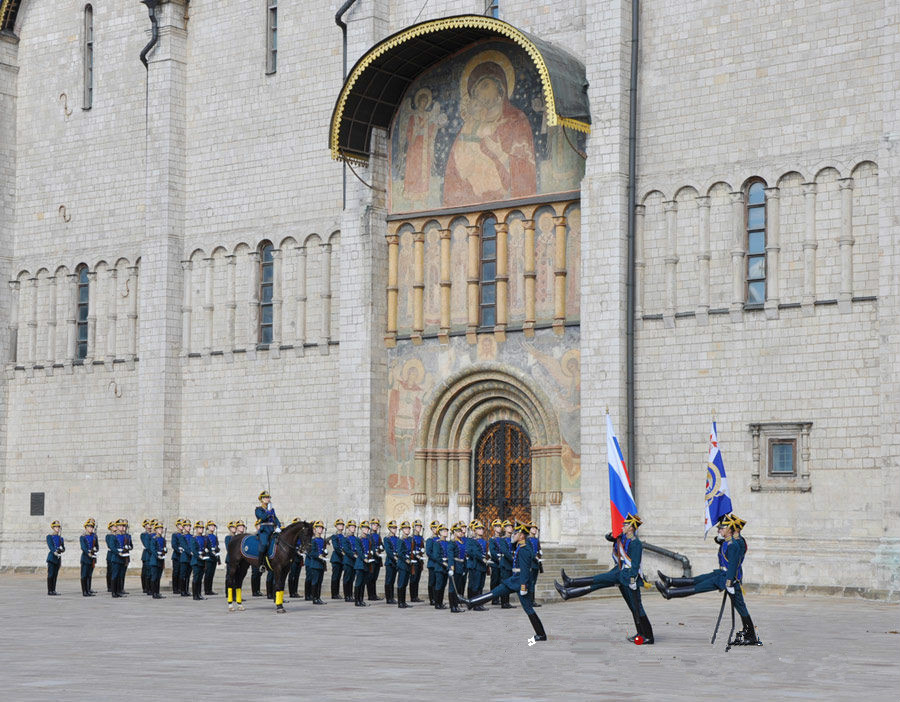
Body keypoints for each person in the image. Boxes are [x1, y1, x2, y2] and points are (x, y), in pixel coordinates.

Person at [655, 513, 759, 646]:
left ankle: (670, 593)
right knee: (700, 581)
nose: (719, 530)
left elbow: (734, 564)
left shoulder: (736, 544)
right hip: (723, 575)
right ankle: (671, 583)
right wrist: (723, 535)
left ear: (731, 529)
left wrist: (729, 582)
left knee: (738, 606)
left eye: (722, 528)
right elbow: (721, 542)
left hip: (729, 579)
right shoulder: (730, 542)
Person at [555, 513, 654, 645]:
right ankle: (640, 634)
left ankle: (648, 636)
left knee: (637, 607)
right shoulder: (624, 539)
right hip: (620, 574)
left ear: (631, 528)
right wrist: (613, 534)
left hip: (629, 579)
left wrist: (632, 581)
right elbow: (609, 537)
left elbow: (635, 565)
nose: (623, 526)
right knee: (631, 607)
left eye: (625, 525)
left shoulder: (636, 544)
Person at [459, 524, 547, 642]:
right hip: (514, 580)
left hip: (520, 582)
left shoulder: (524, 549)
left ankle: (541, 634)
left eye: (516, 533)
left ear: (521, 536)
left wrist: (524, 586)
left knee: (528, 608)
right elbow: (510, 548)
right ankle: (471, 602)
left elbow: (526, 570)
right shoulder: (520, 546)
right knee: (496, 591)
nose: (513, 535)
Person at [254, 490, 281, 572]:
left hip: (272, 529)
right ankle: (260, 563)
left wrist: (279, 526)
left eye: (268, 497)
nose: (267, 499)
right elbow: (262, 517)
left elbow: (275, 519)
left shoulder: (272, 510)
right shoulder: (258, 509)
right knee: (264, 544)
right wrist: (268, 512)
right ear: (261, 499)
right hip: (264, 530)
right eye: (265, 497)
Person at [465, 521, 490, 610]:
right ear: (474, 530)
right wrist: (481, 558)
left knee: (480, 585)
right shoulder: (470, 541)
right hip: (475, 565)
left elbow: (486, 553)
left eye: (482, 529)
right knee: (474, 585)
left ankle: (479, 603)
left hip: (482, 566)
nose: (481, 530)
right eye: (479, 529)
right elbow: (472, 552)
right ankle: (473, 603)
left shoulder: (484, 541)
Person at [305, 520, 328, 605]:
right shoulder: (313, 540)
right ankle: (314, 598)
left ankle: (318, 597)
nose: (320, 530)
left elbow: (323, 550)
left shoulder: (322, 540)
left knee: (319, 581)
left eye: (321, 528)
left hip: (321, 564)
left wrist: (325, 553)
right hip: (315, 564)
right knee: (315, 581)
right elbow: (311, 552)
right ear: (315, 529)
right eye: (319, 528)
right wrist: (318, 555)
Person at [431, 524, 451, 610]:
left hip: (446, 567)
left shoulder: (448, 543)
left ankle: (441, 602)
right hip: (439, 567)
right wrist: (443, 563)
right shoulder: (437, 543)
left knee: (443, 585)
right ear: (439, 532)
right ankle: (437, 603)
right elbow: (436, 556)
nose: (445, 532)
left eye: (446, 531)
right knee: (438, 585)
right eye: (443, 531)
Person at [189, 520, 209, 601]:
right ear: (196, 529)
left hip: (203, 560)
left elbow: (205, 547)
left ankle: (199, 594)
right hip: (196, 561)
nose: (201, 529)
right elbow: (194, 550)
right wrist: (200, 556)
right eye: (199, 528)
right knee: (196, 578)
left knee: (200, 578)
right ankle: (195, 595)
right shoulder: (193, 538)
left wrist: (206, 552)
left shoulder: (204, 538)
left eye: (202, 528)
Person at [396, 520, 414, 609]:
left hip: (408, 565)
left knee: (405, 583)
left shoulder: (409, 540)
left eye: (408, 528)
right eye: (405, 529)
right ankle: (400, 602)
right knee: (401, 583)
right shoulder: (401, 540)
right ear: (402, 530)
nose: (407, 530)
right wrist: (406, 559)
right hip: (403, 564)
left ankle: (404, 601)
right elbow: (399, 552)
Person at [497, 519, 514, 609]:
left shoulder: (512, 539)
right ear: (504, 529)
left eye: (511, 527)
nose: (510, 528)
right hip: (505, 564)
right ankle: (503, 602)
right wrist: (513, 559)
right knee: (504, 583)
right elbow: (505, 551)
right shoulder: (502, 540)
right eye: (508, 527)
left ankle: (507, 602)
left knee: (509, 583)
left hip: (510, 565)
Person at [79, 518, 98, 597]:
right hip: (86, 558)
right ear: (86, 527)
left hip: (92, 558)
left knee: (89, 575)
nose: (91, 528)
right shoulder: (82, 537)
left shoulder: (94, 536)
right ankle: (84, 591)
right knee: (84, 575)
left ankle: (88, 590)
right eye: (89, 527)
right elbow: (83, 547)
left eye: (92, 527)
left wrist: (95, 549)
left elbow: (97, 546)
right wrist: (89, 552)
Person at [147, 521, 167, 600]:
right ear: (155, 530)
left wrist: (165, 550)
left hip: (161, 560)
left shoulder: (162, 539)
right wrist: (158, 555)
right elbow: (153, 549)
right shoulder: (154, 539)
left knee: (158, 577)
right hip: (155, 560)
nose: (161, 530)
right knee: (154, 577)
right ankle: (154, 593)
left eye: (161, 528)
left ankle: (157, 592)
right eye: (159, 528)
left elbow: (164, 549)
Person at [450, 522, 468, 611]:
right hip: (455, 566)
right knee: (453, 587)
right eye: (457, 531)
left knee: (458, 586)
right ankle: (453, 606)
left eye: (460, 531)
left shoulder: (462, 542)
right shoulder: (452, 543)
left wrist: (464, 567)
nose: (460, 533)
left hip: (461, 566)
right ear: (454, 532)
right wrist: (451, 567)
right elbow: (450, 556)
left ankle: (456, 604)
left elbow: (464, 556)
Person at [287, 517, 305, 599]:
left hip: (300, 557)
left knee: (297, 575)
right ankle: (291, 592)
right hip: (293, 557)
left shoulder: (301, 537)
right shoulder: (291, 537)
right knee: (292, 575)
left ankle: (295, 591)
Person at [409, 519, 426, 603]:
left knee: (417, 579)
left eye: (420, 526)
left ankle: (416, 596)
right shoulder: (411, 538)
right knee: (413, 579)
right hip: (414, 560)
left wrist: (422, 551)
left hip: (420, 560)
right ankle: (413, 596)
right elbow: (411, 549)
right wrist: (417, 555)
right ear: (414, 527)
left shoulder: (421, 537)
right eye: (417, 526)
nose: (419, 528)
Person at [487, 519, 504, 605]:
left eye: (500, 526)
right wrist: (498, 558)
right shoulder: (492, 539)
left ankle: (499, 597)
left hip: (502, 563)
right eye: (497, 526)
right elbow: (492, 551)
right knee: (495, 581)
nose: (499, 528)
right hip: (495, 562)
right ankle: (494, 598)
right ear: (494, 528)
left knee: (501, 581)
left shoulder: (502, 539)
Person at [46, 520, 64, 596]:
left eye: (58, 527)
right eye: (56, 527)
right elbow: (50, 546)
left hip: (58, 559)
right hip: (52, 558)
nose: (57, 528)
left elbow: (63, 547)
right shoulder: (49, 536)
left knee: (55, 575)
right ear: (53, 528)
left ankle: (54, 590)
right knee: (51, 574)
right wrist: (55, 551)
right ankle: (50, 590)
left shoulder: (61, 538)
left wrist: (61, 549)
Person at [367, 517, 384, 601]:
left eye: (377, 525)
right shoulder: (369, 536)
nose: (375, 526)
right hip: (372, 559)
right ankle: (370, 595)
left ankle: (374, 594)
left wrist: (381, 548)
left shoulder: (378, 536)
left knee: (374, 578)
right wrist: (376, 552)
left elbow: (382, 545)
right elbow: (371, 547)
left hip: (377, 559)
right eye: (374, 525)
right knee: (370, 578)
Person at [342, 520, 358, 602]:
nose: (353, 529)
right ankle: (347, 596)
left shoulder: (356, 538)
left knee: (352, 579)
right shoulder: (345, 539)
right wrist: (354, 555)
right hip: (348, 561)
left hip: (354, 562)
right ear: (348, 528)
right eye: (352, 527)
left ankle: (350, 595)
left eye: (354, 527)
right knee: (347, 578)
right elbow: (346, 550)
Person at [527, 523, 543, 607]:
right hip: (531, 563)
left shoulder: (536, 540)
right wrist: (535, 557)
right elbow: (529, 552)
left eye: (535, 528)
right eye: (533, 528)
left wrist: (540, 553)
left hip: (536, 564)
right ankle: (530, 601)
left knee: (533, 582)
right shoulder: (527, 540)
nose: (534, 530)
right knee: (531, 582)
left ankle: (532, 600)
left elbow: (539, 550)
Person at [425, 520, 440, 605]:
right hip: (433, 564)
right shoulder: (430, 540)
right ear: (432, 529)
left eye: (437, 528)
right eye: (434, 528)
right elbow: (428, 552)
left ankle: (437, 598)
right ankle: (432, 599)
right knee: (432, 582)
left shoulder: (440, 539)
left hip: (439, 564)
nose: (436, 529)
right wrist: (437, 558)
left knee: (438, 582)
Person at [329, 518, 345, 600]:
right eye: (339, 525)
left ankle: (337, 593)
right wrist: (344, 553)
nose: (341, 526)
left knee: (339, 576)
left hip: (342, 559)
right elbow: (336, 547)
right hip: (336, 558)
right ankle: (334, 593)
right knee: (335, 577)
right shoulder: (334, 536)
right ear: (336, 526)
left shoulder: (344, 536)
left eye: (342, 525)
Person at [204, 521, 220, 596]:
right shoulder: (206, 537)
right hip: (209, 557)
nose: (213, 527)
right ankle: (206, 590)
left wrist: (218, 558)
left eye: (214, 526)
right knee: (208, 574)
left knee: (211, 574)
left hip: (214, 557)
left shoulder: (215, 536)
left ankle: (210, 589)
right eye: (211, 526)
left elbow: (217, 547)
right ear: (208, 527)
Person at [140, 519, 153, 595]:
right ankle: (146, 588)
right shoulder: (144, 535)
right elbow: (147, 545)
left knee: (150, 572)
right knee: (146, 573)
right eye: (148, 525)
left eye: (150, 525)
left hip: (152, 555)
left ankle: (150, 587)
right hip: (147, 555)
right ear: (145, 526)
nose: (149, 526)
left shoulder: (153, 534)